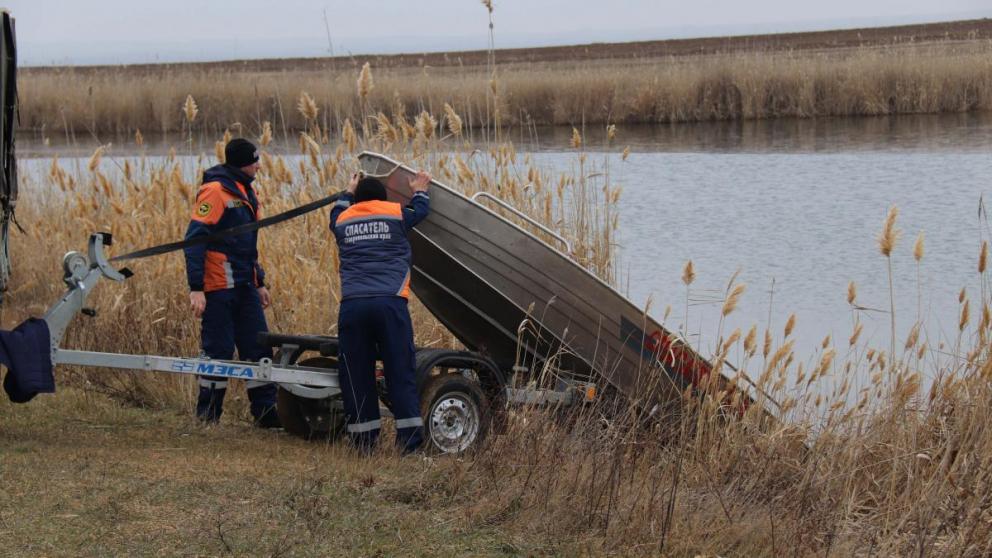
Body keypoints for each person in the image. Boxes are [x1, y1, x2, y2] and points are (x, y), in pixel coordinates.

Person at [330, 169, 431, 453]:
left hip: (353, 305)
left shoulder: (343, 219)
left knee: (356, 373)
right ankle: (409, 444)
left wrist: (347, 191)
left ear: (357, 200)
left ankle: (364, 444)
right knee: (399, 369)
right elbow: (420, 209)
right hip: (390, 303)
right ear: (382, 198)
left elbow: (335, 212)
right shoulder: (395, 213)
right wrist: (420, 189)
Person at [183, 138, 280, 428]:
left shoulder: (246, 190)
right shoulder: (215, 191)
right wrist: (196, 288)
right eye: (255, 161)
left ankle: (266, 415)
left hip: (245, 285)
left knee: (258, 348)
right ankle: (208, 416)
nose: (259, 166)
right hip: (218, 286)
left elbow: (247, 245)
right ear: (242, 163)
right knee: (218, 351)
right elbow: (194, 241)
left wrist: (259, 282)